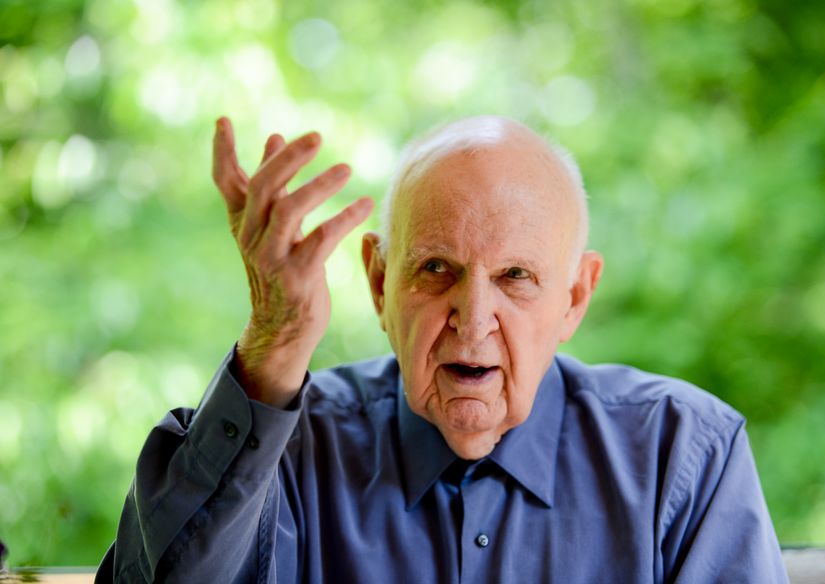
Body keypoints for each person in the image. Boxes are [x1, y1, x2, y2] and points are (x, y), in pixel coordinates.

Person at [97, 116, 789, 583]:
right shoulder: (290, 451)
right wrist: (275, 339)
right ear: (378, 282)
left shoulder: (685, 454)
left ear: (575, 297)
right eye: (435, 270)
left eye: (515, 277)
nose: (474, 318)